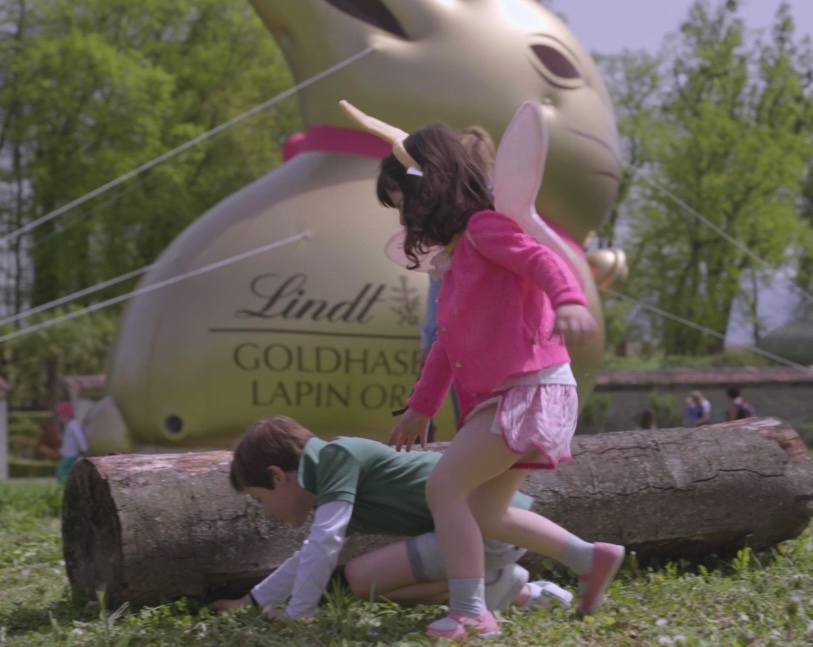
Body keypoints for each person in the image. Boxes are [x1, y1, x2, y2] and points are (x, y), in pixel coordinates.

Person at [376, 125, 625, 639]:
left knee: (445, 485)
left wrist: (572, 301)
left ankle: (470, 610)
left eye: (407, 203)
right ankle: (589, 558)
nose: (405, 219)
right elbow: (447, 342)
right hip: (517, 392)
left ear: (433, 188)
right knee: (483, 509)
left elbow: (541, 260)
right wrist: (421, 406)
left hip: (530, 390)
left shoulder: (484, 230)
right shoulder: (455, 257)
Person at [209, 416, 573, 619]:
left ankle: (511, 588)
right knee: (363, 582)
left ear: (276, 476)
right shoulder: (329, 486)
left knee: (359, 576)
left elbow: (324, 542)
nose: (266, 510)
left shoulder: (335, 459)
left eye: (261, 499)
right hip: (476, 536)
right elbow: (312, 551)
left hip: (489, 527)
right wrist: (252, 601)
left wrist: (299, 612)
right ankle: (512, 589)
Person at [418, 127, 496, 434]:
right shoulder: (499, 209)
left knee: (471, 415)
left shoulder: (450, 218)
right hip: (484, 335)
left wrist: (428, 340)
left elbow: (437, 291)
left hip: (460, 337)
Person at [55, 401, 88, 483]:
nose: (59, 418)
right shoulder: (69, 425)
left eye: (60, 416)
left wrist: (84, 448)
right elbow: (67, 442)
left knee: (61, 472)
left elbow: (79, 437)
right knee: (66, 472)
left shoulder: (73, 425)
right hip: (68, 454)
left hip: (70, 455)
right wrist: (61, 451)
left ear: (66, 415)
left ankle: (66, 486)